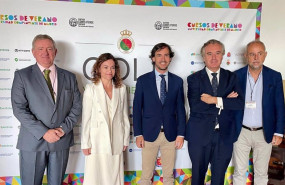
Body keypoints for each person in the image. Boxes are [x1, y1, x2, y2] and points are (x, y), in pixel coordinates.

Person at [11, 34, 82, 185]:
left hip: (60, 140)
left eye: (49, 48)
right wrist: (44, 132)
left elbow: (77, 107)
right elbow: (19, 108)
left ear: (55, 52)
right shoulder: (22, 76)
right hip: (33, 141)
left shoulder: (70, 77)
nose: (45, 52)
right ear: (33, 52)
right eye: (40, 48)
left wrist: (62, 130)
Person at [185, 39, 244, 185]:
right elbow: (196, 106)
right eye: (209, 54)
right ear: (203, 57)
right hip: (199, 136)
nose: (213, 57)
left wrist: (214, 100)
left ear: (223, 55)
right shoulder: (193, 79)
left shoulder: (232, 77)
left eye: (217, 53)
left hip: (223, 137)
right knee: (198, 177)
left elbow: (239, 103)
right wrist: (224, 101)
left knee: (218, 179)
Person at [133, 43, 186, 185]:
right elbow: (137, 109)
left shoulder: (178, 81)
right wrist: (138, 134)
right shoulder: (143, 81)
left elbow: (181, 110)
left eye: (166, 55)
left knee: (168, 177)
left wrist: (181, 134)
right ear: (153, 58)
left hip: (171, 135)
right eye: (159, 55)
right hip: (148, 135)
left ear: (170, 58)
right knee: (145, 177)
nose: (163, 59)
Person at [233, 40, 285, 185]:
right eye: (252, 54)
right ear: (246, 56)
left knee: (261, 173)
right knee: (239, 172)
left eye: (259, 53)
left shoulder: (274, 76)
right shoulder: (236, 76)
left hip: (264, 132)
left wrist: (279, 132)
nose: (256, 57)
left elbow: (280, 105)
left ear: (265, 55)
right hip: (241, 132)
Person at [81, 53, 130, 185]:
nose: (109, 71)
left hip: (116, 139)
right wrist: (85, 143)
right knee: (95, 177)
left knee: (114, 176)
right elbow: (86, 118)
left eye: (112, 67)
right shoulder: (90, 89)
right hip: (96, 141)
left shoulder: (121, 88)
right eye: (106, 67)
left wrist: (125, 139)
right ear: (98, 69)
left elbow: (124, 116)